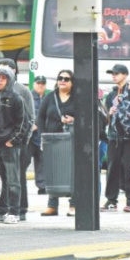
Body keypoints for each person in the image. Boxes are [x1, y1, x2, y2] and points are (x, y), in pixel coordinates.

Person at [0, 68, 28, 225]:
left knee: (13, 180)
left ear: (10, 80)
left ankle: (14, 212)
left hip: (9, 146)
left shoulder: (17, 99)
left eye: (4, 78)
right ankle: (1, 211)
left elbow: (23, 123)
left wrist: (13, 141)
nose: (0, 81)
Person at [102, 64, 130, 213]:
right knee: (112, 168)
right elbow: (106, 116)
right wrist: (110, 112)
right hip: (114, 136)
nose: (114, 76)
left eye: (117, 73)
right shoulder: (111, 94)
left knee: (129, 167)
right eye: (112, 73)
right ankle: (111, 200)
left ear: (125, 75)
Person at [0, 58, 34, 222]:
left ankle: (18, 210)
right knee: (2, 178)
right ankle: (3, 210)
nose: (0, 78)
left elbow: (28, 120)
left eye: (5, 73)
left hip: (15, 144)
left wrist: (17, 141)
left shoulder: (21, 93)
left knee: (16, 178)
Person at [37, 69, 76, 217]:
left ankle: (74, 204)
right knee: (53, 170)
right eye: (60, 78)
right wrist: (42, 135)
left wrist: (73, 120)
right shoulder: (50, 97)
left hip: (71, 139)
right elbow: (40, 116)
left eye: (66, 79)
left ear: (72, 82)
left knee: (72, 171)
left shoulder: (76, 98)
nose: (62, 81)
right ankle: (52, 205)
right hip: (53, 138)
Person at [27, 76, 49, 195]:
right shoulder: (28, 97)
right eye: (38, 83)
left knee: (42, 162)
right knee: (24, 161)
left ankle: (42, 186)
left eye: (42, 83)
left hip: (42, 136)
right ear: (34, 84)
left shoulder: (48, 98)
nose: (40, 85)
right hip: (30, 137)